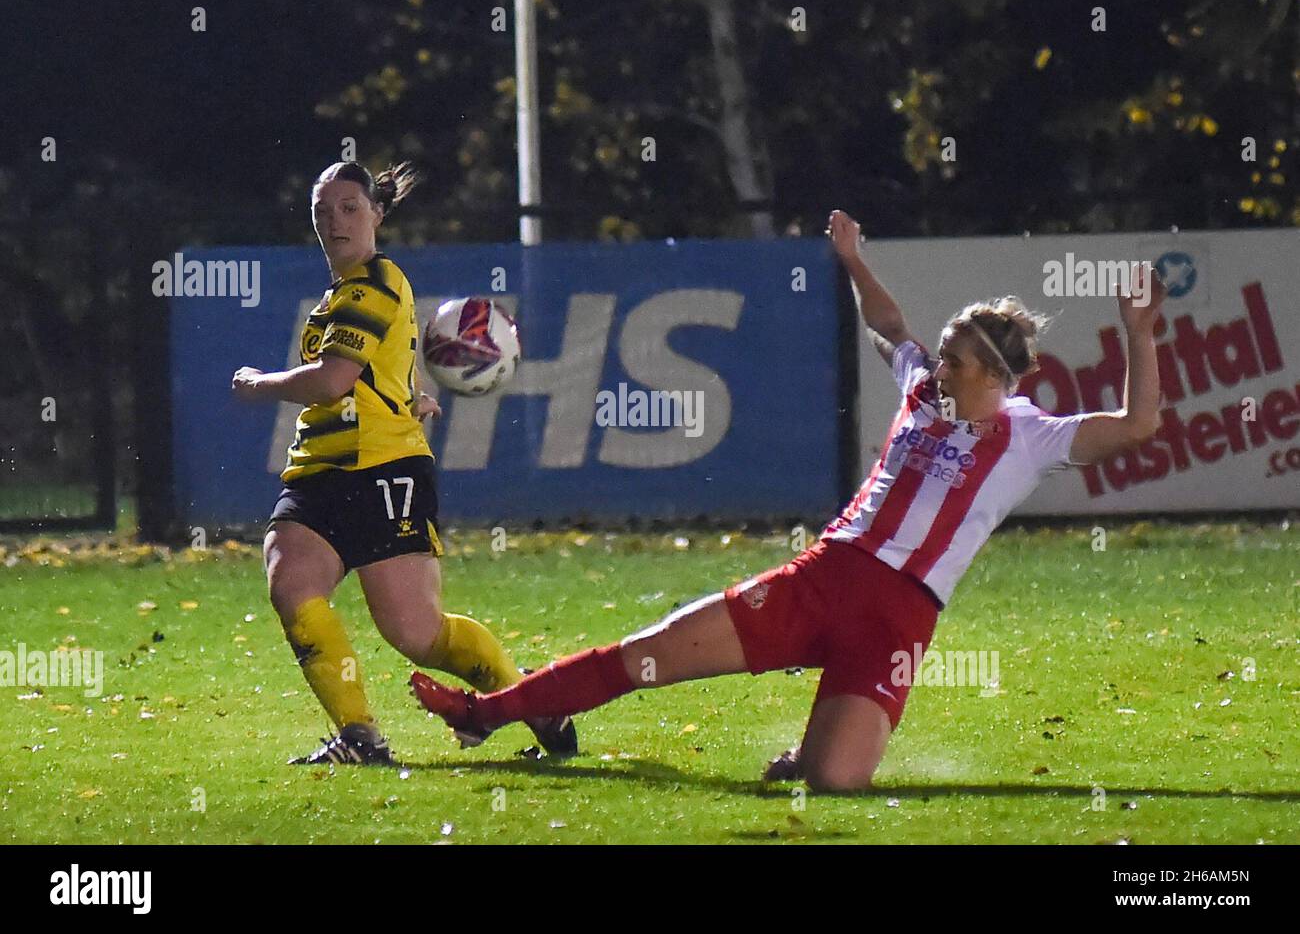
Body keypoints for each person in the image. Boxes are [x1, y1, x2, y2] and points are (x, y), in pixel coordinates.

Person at [411, 208, 1164, 790]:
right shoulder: (923, 390)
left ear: (995, 378)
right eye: (941, 353)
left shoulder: (1030, 435)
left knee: (834, 782)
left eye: (956, 359)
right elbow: (891, 327)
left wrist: (1139, 333)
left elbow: (1139, 425)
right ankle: (482, 714)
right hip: (822, 578)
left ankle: (809, 751)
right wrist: (853, 261)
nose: (938, 366)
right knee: (647, 655)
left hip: (900, 617)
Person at [232, 160, 575, 764]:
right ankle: (360, 737)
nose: (333, 221)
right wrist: (408, 391)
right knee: (290, 581)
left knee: (417, 634)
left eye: (348, 208)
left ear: (376, 214)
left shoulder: (373, 282)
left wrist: (258, 384)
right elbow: (372, 367)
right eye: (322, 211)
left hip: (383, 471)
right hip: (318, 468)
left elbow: (334, 378)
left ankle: (531, 700)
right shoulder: (348, 293)